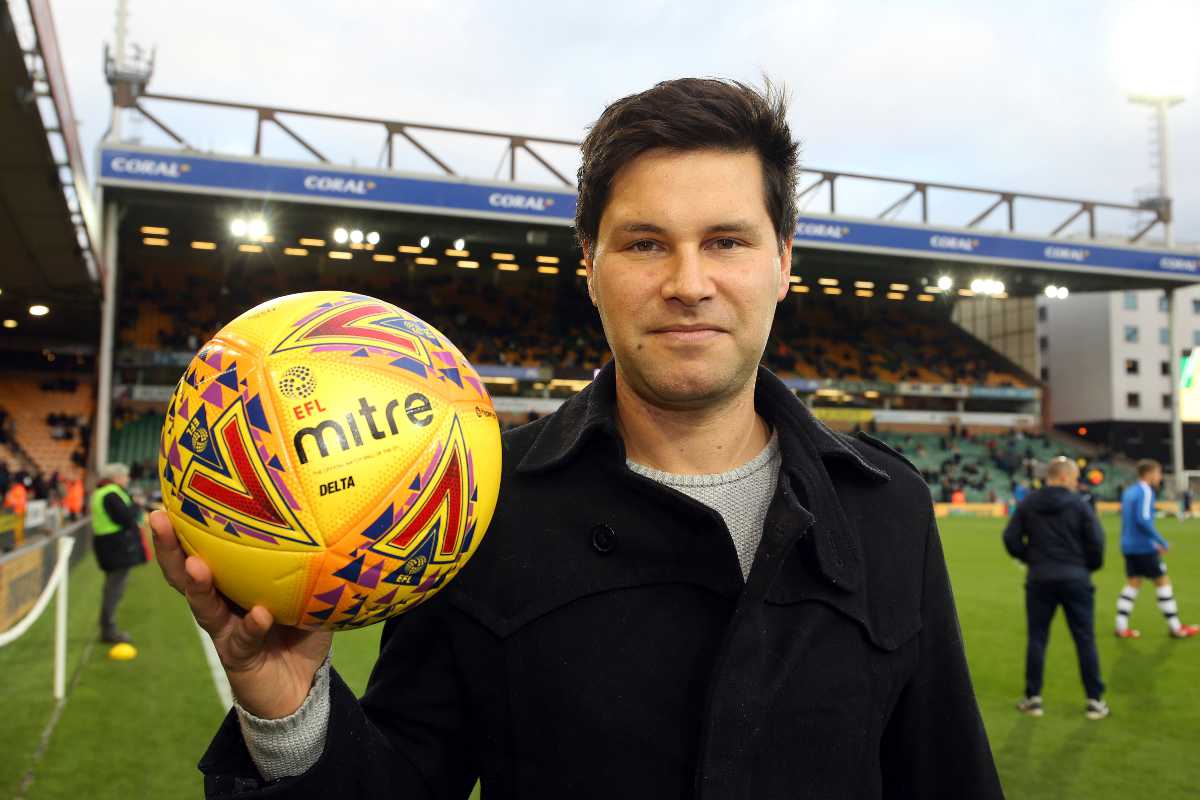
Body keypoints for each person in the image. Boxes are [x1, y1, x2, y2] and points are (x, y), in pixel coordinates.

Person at [150, 78, 1002, 798]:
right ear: (588, 263)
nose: (688, 283)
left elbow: (947, 774)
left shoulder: (888, 507)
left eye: (727, 242)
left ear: (784, 259)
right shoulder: (473, 505)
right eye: (645, 243)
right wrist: (292, 713)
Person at [1003, 457, 1108, 720]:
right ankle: (1094, 700)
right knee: (1085, 638)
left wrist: (1030, 558)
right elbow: (1097, 541)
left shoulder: (1029, 502)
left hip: (1040, 577)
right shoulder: (1080, 504)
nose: (1075, 484)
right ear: (1063, 477)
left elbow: (1010, 537)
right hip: (1076, 578)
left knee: (1037, 638)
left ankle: (1033, 698)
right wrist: (1087, 566)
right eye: (1073, 478)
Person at [1116, 459, 1199, 639]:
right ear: (1150, 473)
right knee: (1163, 582)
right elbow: (1143, 519)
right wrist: (1161, 541)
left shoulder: (1129, 491)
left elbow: (1127, 521)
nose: (1160, 477)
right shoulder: (1146, 491)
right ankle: (1176, 628)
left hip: (1129, 546)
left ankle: (1121, 627)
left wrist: (1124, 545)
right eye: (1158, 473)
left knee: (1133, 583)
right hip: (1143, 547)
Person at [91, 463, 149, 644]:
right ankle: (108, 630)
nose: (127, 479)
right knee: (113, 590)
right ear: (115, 477)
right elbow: (126, 518)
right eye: (124, 476)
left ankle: (108, 628)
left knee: (113, 588)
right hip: (114, 548)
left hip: (109, 547)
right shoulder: (111, 494)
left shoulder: (104, 492)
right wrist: (137, 505)